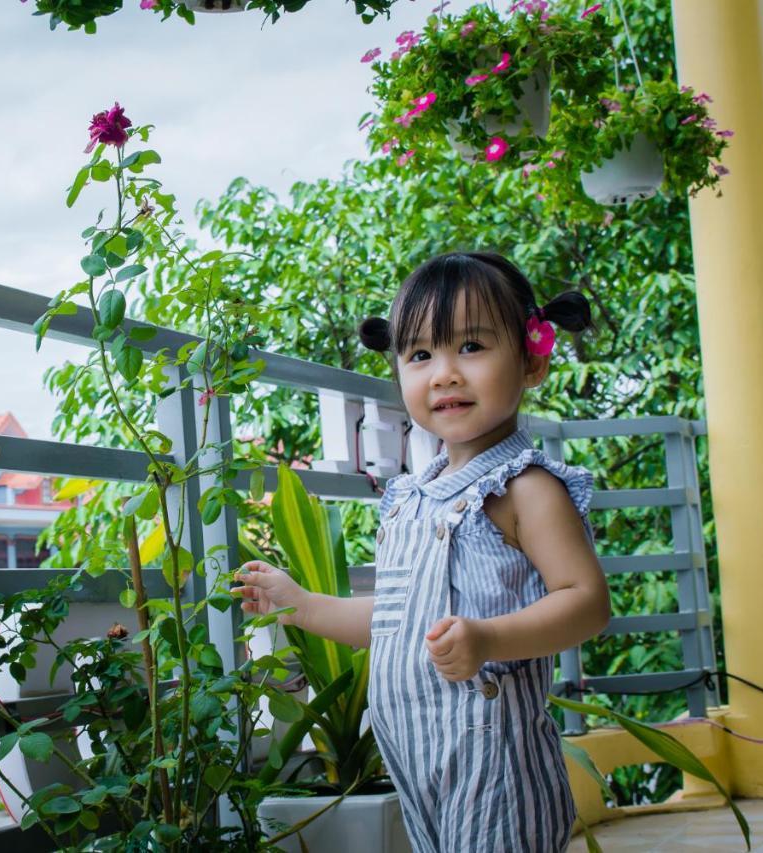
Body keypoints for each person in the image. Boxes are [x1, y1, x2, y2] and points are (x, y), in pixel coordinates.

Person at [231, 251, 611, 852]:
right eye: (421, 355)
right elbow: (396, 621)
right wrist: (301, 605)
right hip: (415, 756)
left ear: (532, 360)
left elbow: (587, 602)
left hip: (496, 764)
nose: (444, 374)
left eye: (472, 347)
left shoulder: (526, 488)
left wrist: (487, 639)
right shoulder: (413, 496)